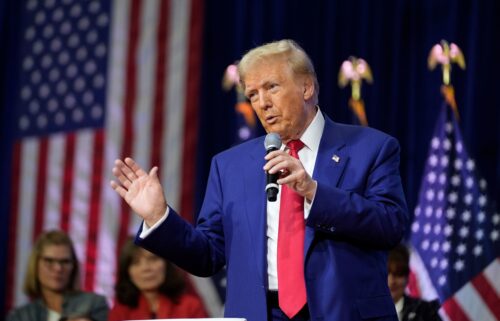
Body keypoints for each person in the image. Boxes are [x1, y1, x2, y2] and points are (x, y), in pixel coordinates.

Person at [111, 39, 409, 321]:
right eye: (253, 94)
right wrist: (158, 217)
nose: (262, 103)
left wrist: (313, 192)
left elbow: (390, 224)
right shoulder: (230, 166)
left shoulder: (370, 148)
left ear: (306, 87)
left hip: (342, 313)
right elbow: (208, 256)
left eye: (272, 87)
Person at [7, 230, 108, 321]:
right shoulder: (19, 316)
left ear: (74, 267)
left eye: (65, 262)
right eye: (49, 261)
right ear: (35, 265)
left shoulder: (94, 304)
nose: (58, 268)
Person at [109, 238, 208, 320]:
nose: (146, 268)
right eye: (136, 262)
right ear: (127, 272)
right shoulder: (119, 312)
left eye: (153, 259)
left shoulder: (191, 306)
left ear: (166, 265)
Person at [388, 244, 442, 321]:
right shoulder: (366, 312)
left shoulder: (426, 313)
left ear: (406, 278)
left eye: (398, 273)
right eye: (386, 273)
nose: (391, 281)